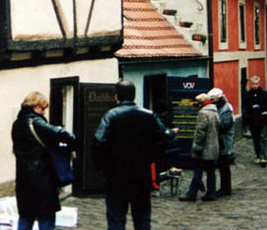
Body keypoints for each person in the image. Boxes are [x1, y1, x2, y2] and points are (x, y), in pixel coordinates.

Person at [93, 81, 176, 230]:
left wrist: (100, 165)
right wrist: (171, 133)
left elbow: (99, 141)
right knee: (142, 217)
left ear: (117, 96)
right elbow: (163, 135)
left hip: (116, 176)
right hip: (141, 175)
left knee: (116, 218)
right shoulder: (148, 115)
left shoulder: (111, 115)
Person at [12, 91, 77, 230]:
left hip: (23, 179)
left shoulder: (16, 124)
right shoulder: (36, 122)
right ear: (34, 106)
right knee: (46, 218)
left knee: (25, 217)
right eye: (42, 108)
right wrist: (71, 144)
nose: (44, 112)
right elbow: (62, 134)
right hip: (42, 179)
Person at [178, 93, 220, 202]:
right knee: (211, 171)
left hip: (204, 148)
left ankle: (191, 193)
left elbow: (200, 132)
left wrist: (197, 146)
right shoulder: (214, 112)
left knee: (198, 170)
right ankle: (211, 192)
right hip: (213, 147)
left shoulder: (203, 113)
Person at [243, 76, 267, 167]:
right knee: (255, 138)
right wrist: (247, 118)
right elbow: (245, 108)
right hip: (252, 120)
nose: (255, 86)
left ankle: (263, 157)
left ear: (259, 83)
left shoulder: (265, 94)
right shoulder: (248, 95)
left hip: (263, 119)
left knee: (263, 138)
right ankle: (257, 154)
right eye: (253, 84)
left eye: (256, 84)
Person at [208, 88, 235, 197]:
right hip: (220, 140)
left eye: (213, 99)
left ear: (218, 98)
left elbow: (224, 125)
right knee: (222, 165)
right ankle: (224, 187)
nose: (212, 101)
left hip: (224, 141)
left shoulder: (226, 109)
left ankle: (226, 188)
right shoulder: (220, 107)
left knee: (224, 165)